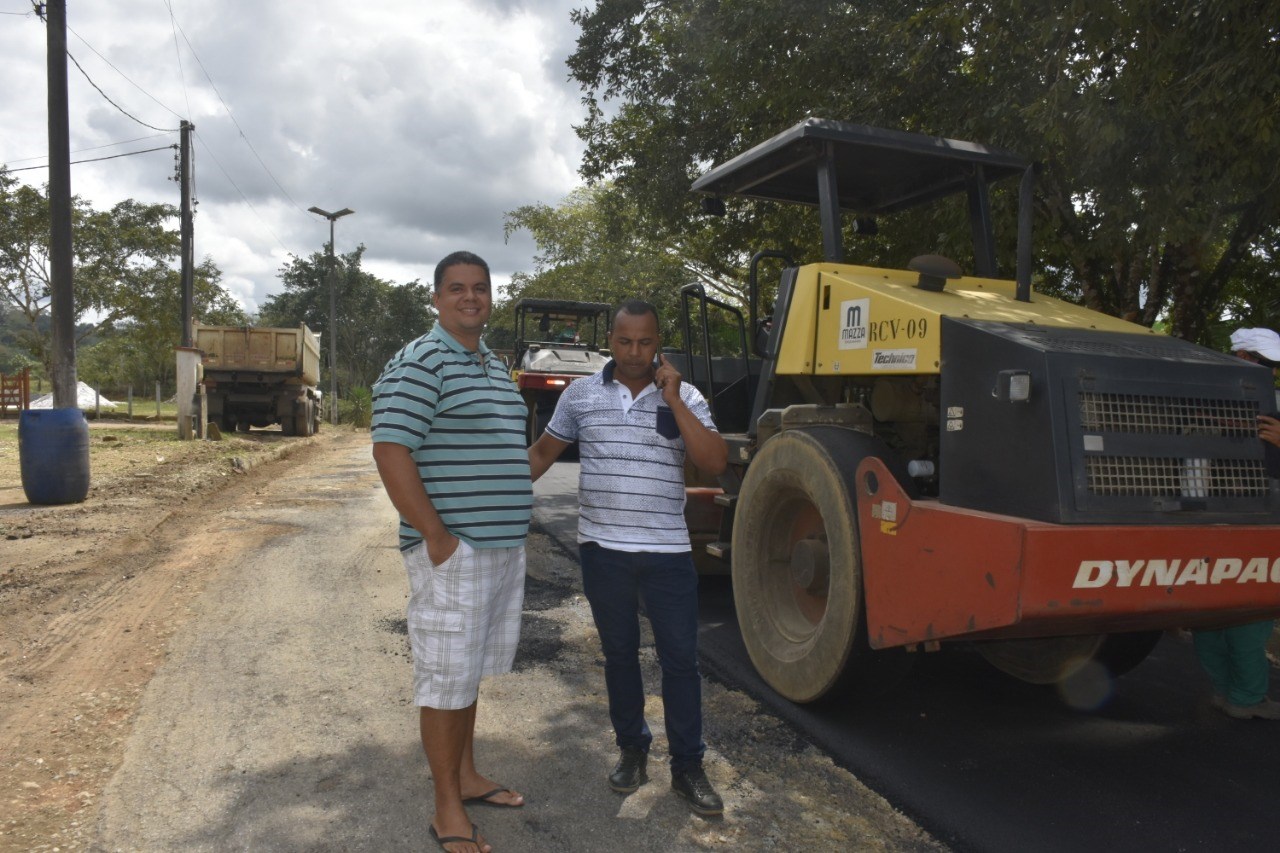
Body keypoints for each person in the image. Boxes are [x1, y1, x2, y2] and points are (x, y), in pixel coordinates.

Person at [528, 299, 729, 816]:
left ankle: (687, 767)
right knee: (619, 657)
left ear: (657, 342)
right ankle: (632, 751)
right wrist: (486, 500)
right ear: (610, 341)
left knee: (680, 662)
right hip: (603, 551)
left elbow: (714, 463)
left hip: (667, 553)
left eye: (645, 342)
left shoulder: (686, 395)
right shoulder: (580, 395)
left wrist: (675, 400)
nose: (635, 352)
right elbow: (540, 456)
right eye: (624, 341)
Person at [371, 251, 532, 853]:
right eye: (457, 288)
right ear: (436, 298)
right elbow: (391, 451)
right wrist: (437, 537)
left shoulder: (491, 364)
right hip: (455, 554)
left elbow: (506, 453)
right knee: (444, 679)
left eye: (480, 289)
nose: (471, 298)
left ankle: (465, 775)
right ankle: (446, 809)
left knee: (467, 673)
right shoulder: (423, 361)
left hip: (498, 549)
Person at [1193, 326, 1280, 721]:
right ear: (1244, 358)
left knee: (1211, 610)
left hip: (1208, 516)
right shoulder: (1255, 404)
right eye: (1266, 364)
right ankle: (1246, 699)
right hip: (1253, 519)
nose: (1271, 373)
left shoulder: (1201, 396)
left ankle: (1226, 691)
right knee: (1250, 610)